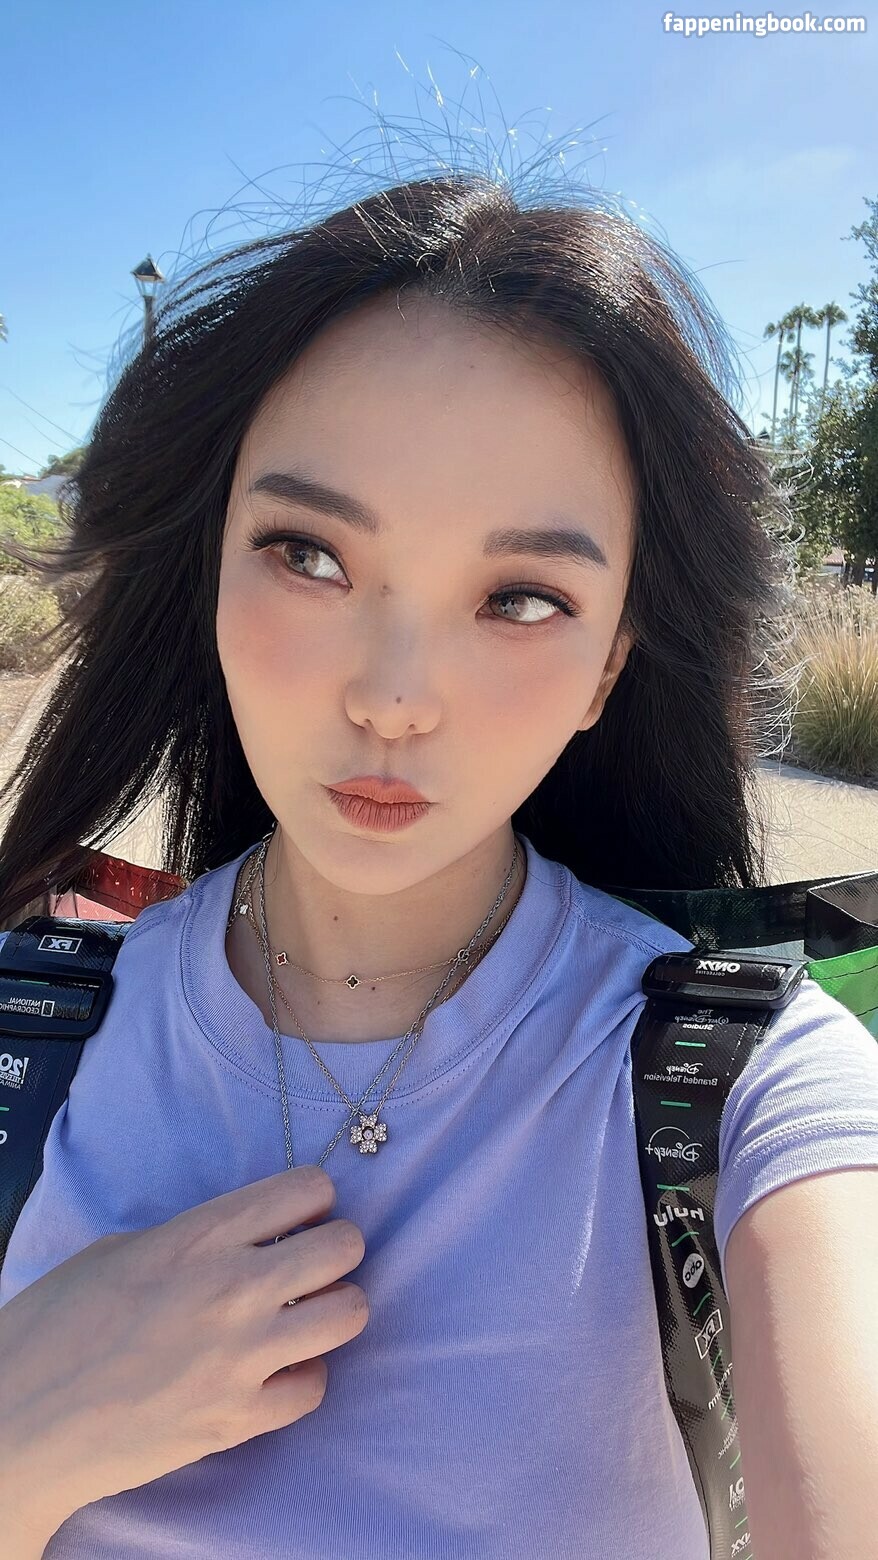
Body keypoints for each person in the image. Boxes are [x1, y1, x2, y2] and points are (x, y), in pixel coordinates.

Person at [1, 169, 877, 1560]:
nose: (394, 698)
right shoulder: (29, 1036)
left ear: (608, 668)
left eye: (519, 598)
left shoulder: (747, 1092)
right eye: (308, 555)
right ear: (210, 568)